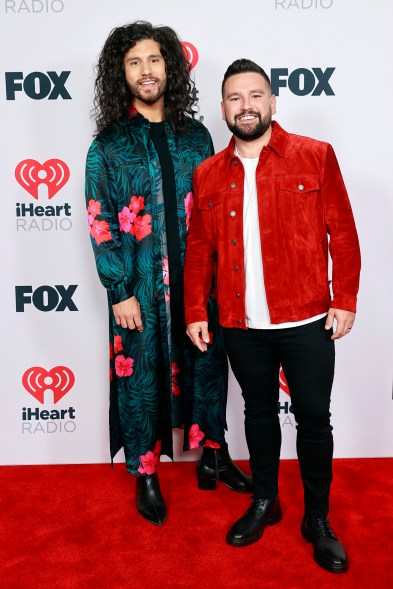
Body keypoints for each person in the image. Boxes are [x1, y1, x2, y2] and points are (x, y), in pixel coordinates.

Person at [184, 59, 360, 573]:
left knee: (314, 421)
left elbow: (343, 234)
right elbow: (199, 251)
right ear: (223, 108)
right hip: (241, 324)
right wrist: (197, 309)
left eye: (255, 95)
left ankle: (318, 520)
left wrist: (344, 299)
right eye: (235, 98)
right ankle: (266, 500)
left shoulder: (314, 156)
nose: (246, 106)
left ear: (273, 102)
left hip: (307, 320)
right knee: (257, 416)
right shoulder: (209, 173)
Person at [85, 24, 251, 526]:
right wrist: (119, 290)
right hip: (138, 289)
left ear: (169, 67)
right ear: (122, 73)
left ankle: (213, 455)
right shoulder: (108, 146)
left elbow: (216, 210)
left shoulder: (195, 136)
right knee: (139, 381)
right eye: (134, 62)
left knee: (207, 368)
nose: (146, 70)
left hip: (200, 282)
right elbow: (100, 218)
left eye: (154, 59)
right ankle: (147, 473)